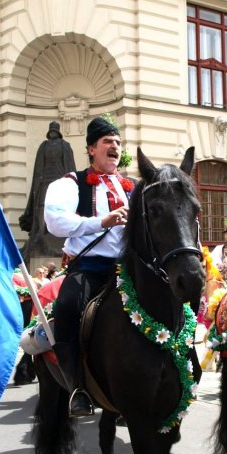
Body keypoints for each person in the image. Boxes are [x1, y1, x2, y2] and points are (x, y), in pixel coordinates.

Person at [43, 116, 132, 417]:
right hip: (89, 268)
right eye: (108, 142)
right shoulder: (71, 183)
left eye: (118, 143)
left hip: (126, 271)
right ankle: (78, 387)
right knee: (67, 308)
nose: (115, 147)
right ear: (92, 148)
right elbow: (55, 220)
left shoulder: (130, 188)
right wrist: (101, 222)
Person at [20, 121, 76, 260]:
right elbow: (38, 166)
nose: (52, 132)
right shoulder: (43, 146)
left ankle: (57, 230)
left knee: (59, 206)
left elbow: (69, 165)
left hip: (59, 180)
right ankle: (40, 231)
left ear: (58, 131)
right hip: (44, 180)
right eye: (51, 130)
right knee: (42, 206)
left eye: (54, 130)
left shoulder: (65, 145)